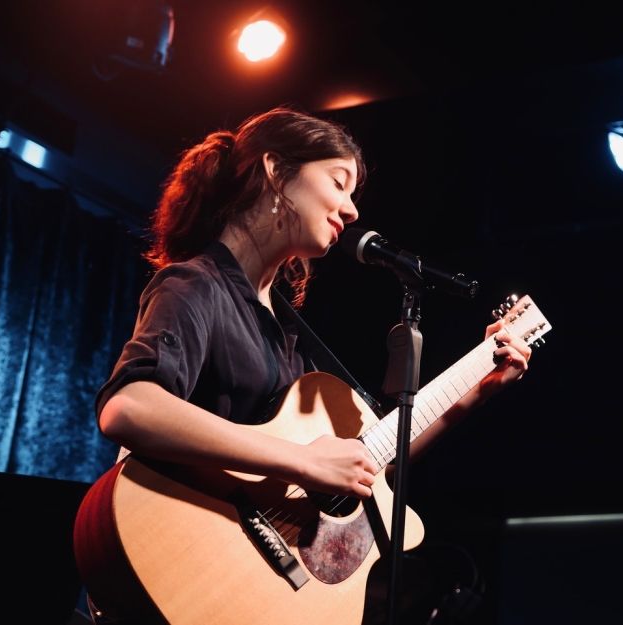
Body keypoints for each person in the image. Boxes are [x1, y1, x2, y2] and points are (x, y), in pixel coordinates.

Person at [77, 106, 531, 624]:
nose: (353, 210)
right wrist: (301, 461)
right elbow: (129, 407)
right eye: (339, 183)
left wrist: (479, 385)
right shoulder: (197, 284)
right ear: (275, 171)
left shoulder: (285, 329)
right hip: (168, 566)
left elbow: (367, 461)